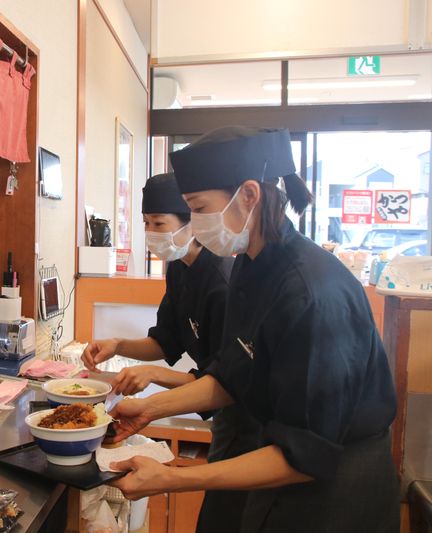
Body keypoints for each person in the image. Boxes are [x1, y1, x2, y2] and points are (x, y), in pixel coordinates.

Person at [107, 126, 399, 533]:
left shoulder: (311, 294)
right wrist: (149, 409)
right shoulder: (252, 262)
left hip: (336, 484)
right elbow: (233, 374)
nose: (195, 222)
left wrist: (172, 478)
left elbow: (306, 454)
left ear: (248, 195)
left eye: (199, 207)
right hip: (278, 455)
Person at [82, 173, 257, 532]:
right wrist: (118, 345)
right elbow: (165, 341)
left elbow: (222, 382)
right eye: (146, 223)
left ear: (192, 221)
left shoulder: (221, 283)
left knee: (231, 515)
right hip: (222, 410)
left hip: (247, 417)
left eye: (159, 223)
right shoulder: (179, 267)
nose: (152, 233)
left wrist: (156, 376)